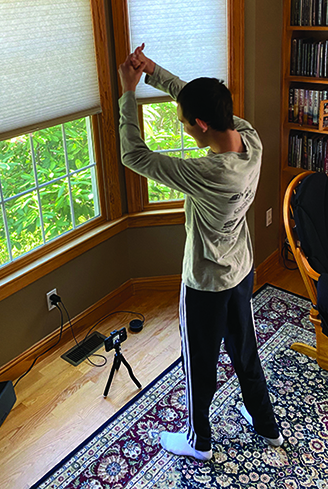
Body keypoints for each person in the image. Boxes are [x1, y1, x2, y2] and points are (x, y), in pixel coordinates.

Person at [118, 44, 283, 461]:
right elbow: (197, 96)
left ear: (203, 125)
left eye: (186, 124)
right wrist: (152, 70)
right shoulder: (250, 138)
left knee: (200, 363)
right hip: (242, 270)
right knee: (245, 350)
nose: (185, 129)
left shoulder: (206, 174)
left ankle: (198, 441)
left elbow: (132, 155)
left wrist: (128, 93)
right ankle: (266, 425)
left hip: (206, 284)